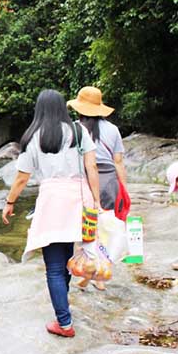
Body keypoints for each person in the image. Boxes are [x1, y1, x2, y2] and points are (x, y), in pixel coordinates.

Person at [3, 89, 102, 338]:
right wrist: (96, 201)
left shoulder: (33, 137)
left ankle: (64, 322)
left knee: (55, 267)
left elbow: (22, 177)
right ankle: (63, 312)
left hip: (51, 203)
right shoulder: (79, 132)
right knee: (69, 256)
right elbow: (92, 167)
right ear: (62, 107)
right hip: (79, 199)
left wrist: (10, 202)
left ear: (39, 109)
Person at [67, 86, 128, 291]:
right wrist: (123, 188)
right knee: (105, 229)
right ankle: (100, 275)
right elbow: (118, 162)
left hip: (84, 179)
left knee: (85, 229)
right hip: (109, 182)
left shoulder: (73, 128)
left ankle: (86, 268)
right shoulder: (113, 130)